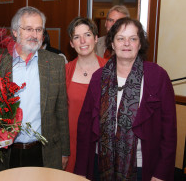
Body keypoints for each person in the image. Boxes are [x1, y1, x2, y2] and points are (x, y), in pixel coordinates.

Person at [74, 17, 177, 181]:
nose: (126, 43)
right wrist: (80, 170)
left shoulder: (157, 76)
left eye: (133, 38)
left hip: (141, 168)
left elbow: (169, 131)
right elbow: (85, 127)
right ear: (113, 44)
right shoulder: (98, 78)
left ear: (140, 44)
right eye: (120, 38)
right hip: (100, 165)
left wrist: (161, 173)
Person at [0, 6, 70, 175]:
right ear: (15, 32)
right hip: (5, 152)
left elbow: (61, 112)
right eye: (28, 29)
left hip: (43, 152)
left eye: (38, 29)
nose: (34, 35)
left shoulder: (55, 63)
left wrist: (64, 151)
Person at [65, 17, 107, 173]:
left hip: (100, 144)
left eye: (87, 35)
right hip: (71, 145)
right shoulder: (65, 71)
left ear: (96, 38)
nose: (83, 41)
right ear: (71, 43)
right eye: (76, 37)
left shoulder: (110, 69)